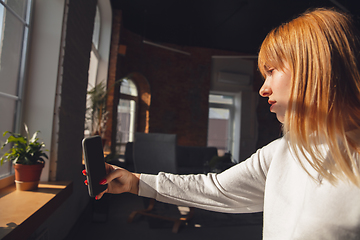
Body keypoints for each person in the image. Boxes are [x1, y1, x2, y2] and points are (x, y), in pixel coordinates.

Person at [84, 8, 360, 239]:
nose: (263, 89)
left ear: (312, 67)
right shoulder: (281, 151)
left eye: (271, 71)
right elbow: (216, 188)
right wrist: (134, 182)